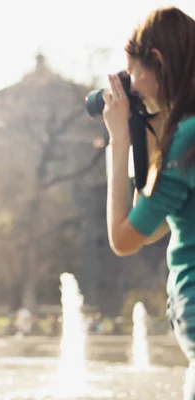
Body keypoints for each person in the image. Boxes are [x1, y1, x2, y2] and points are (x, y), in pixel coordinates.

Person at [102, 6, 195, 399]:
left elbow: (123, 238)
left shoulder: (187, 137)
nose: (134, 87)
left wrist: (120, 140)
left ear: (156, 61)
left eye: (134, 73)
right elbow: (156, 225)